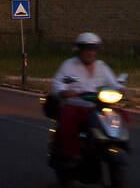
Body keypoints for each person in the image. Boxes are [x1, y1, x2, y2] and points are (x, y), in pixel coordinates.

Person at [50, 32, 120, 162]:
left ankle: (115, 143)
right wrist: (64, 92)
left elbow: (114, 83)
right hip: (76, 105)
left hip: (96, 106)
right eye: (87, 49)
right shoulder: (69, 65)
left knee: (120, 114)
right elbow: (58, 83)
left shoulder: (101, 66)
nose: (91, 53)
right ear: (80, 50)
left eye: (94, 50)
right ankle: (70, 154)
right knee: (67, 118)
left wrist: (123, 91)